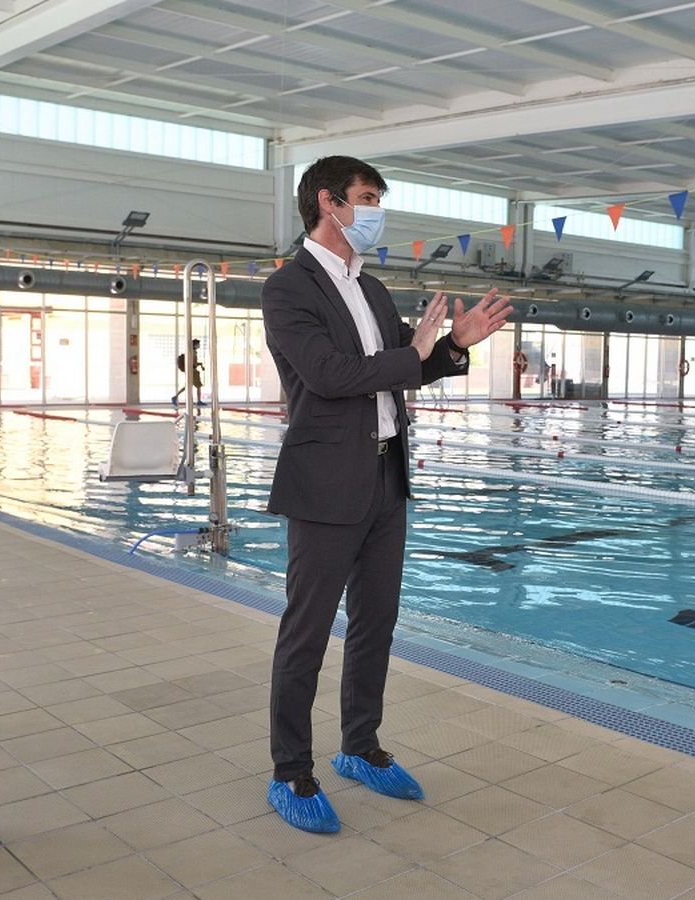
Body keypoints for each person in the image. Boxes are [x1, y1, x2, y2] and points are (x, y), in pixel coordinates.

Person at [260, 156, 511, 833]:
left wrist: (454, 346)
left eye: (378, 198)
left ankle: (360, 748)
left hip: (384, 474)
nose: (376, 211)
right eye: (368, 197)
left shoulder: (368, 289)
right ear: (328, 202)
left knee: (376, 623)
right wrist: (417, 353)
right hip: (324, 483)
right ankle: (291, 772)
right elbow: (330, 374)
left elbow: (408, 364)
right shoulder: (289, 288)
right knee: (306, 632)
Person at [172, 338, 204, 406]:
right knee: (198, 386)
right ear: (195, 345)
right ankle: (199, 401)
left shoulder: (189, 351)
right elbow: (194, 364)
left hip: (189, 370)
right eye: (198, 344)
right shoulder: (194, 352)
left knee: (187, 386)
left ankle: (175, 397)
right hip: (193, 372)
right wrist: (200, 364)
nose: (199, 345)